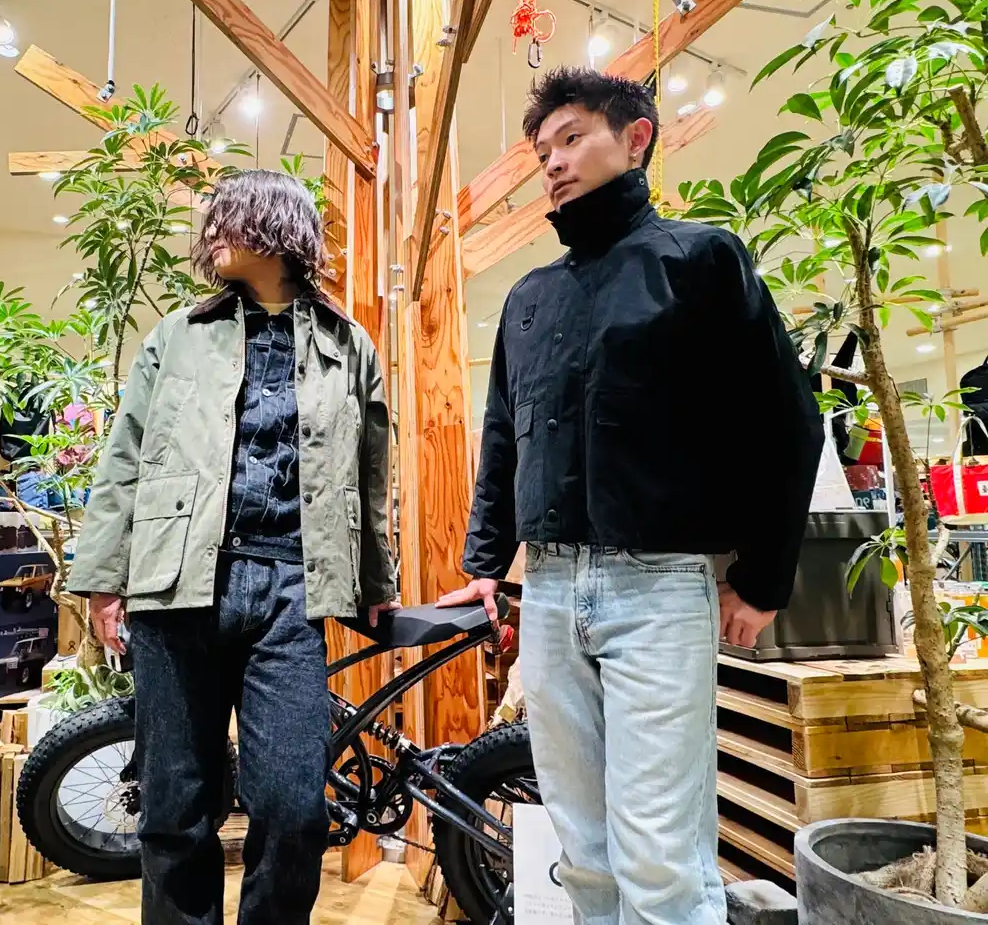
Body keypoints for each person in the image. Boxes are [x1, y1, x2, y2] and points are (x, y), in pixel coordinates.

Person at [439, 67, 823, 925]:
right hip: (548, 595)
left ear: (636, 137)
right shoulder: (530, 298)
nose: (553, 163)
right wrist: (485, 565)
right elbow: (502, 439)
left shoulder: (700, 261)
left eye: (572, 138)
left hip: (659, 590)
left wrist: (764, 579)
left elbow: (787, 422)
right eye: (542, 150)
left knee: (659, 856)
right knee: (584, 853)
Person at [67, 168, 398, 925]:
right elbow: (125, 457)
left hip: (290, 591)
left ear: (278, 227)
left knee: (294, 808)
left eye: (228, 218)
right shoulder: (177, 337)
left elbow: (371, 474)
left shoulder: (348, 344)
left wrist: (376, 582)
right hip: (177, 583)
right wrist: (104, 580)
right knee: (174, 807)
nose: (210, 233)